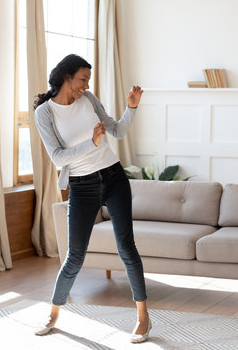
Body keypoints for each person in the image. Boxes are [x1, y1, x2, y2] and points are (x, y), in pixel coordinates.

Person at [33, 54, 151, 343]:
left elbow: (118, 130)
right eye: (83, 79)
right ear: (66, 77)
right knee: (74, 255)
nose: (86, 85)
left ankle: (143, 317)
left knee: (126, 247)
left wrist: (131, 108)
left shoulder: (89, 100)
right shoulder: (44, 113)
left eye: (88, 80)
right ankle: (53, 313)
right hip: (82, 186)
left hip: (113, 178)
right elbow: (58, 157)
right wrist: (91, 143)